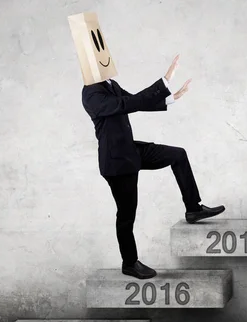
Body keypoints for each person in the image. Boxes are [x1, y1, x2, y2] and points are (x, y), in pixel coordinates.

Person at [81, 55, 225, 279]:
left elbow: (136, 100)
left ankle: (193, 208)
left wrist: (170, 98)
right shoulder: (91, 93)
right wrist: (165, 80)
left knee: (178, 155)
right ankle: (129, 263)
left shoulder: (110, 85)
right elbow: (127, 104)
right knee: (127, 215)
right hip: (117, 162)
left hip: (130, 151)